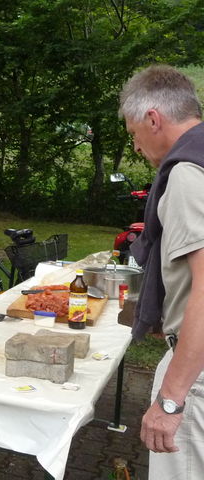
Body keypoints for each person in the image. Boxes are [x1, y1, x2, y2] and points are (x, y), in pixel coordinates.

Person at [119, 65, 204, 479]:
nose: (136, 146)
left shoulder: (186, 174)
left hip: (195, 377)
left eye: (134, 133)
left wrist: (171, 400)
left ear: (153, 119)